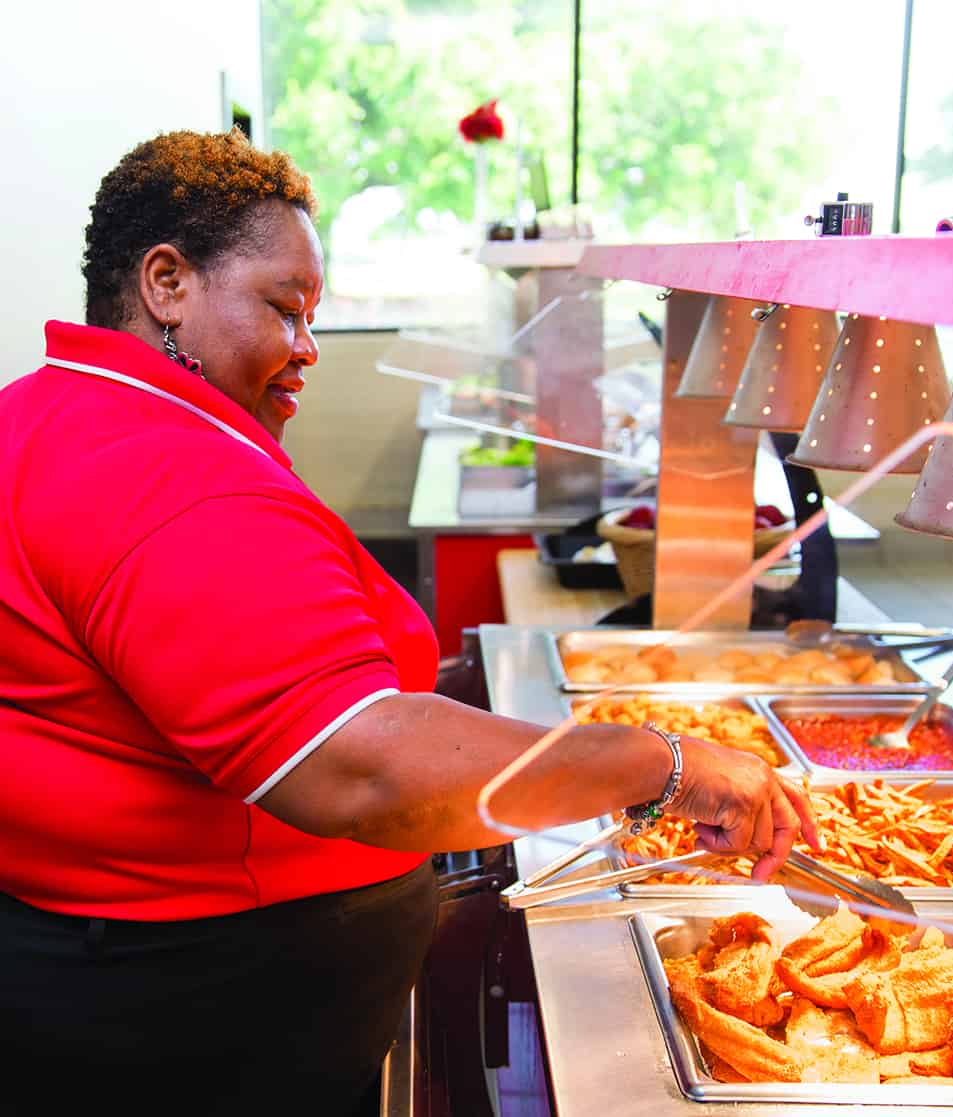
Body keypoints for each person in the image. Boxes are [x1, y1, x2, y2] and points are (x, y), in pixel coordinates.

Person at [0, 130, 819, 1116]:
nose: (306, 348)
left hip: (114, 975)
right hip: (199, 1020)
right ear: (166, 282)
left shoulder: (51, 412)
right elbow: (364, 765)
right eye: (282, 307)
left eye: (314, 317)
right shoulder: (164, 472)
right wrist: (666, 765)